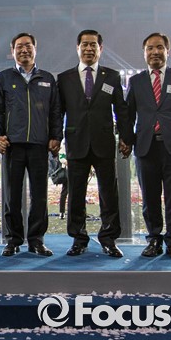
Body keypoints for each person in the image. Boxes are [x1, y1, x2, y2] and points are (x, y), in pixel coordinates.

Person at [56, 30, 133, 258]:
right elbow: (58, 113)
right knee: (76, 194)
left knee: (109, 194)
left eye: (93, 45)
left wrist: (126, 138)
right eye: (85, 44)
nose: (89, 49)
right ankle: (78, 239)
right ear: (77, 48)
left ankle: (108, 239)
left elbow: (121, 110)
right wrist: (55, 138)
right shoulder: (65, 78)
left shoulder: (112, 77)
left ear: (101, 48)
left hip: (104, 143)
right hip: (76, 143)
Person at [126, 32, 171, 259]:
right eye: (150, 48)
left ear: (168, 51)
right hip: (146, 147)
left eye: (159, 47)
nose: (155, 52)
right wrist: (126, 140)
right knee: (149, 198)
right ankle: (154, 240)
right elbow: (128, 116)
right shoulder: (136, 81)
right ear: (144, 53)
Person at [0, 32, 62, 257]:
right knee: (12, 196)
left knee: (40, 196)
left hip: (39, 145)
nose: (24, 50)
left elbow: (56, 111)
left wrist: (56, 136)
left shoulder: (47, 79)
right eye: (19, 47)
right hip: (13, 145)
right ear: (12, 51)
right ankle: (13, 240)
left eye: (28, 46)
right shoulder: (4, 78)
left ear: (35, 49)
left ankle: (36, 240)